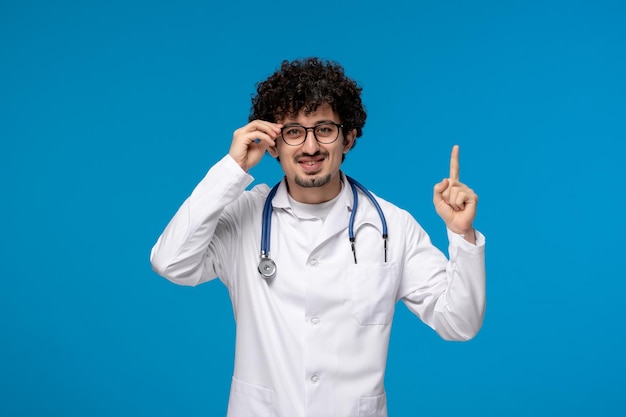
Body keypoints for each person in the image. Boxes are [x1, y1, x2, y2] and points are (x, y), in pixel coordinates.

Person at [150, 57, 486, 417]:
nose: (310, 147)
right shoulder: (243, 216)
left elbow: (460, 323)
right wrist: (231, 170)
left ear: (349, 137)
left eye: (324, 129)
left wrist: (460, 234)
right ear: (273, 144)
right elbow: (170, 263)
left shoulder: (392, 225)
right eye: (293, 131)